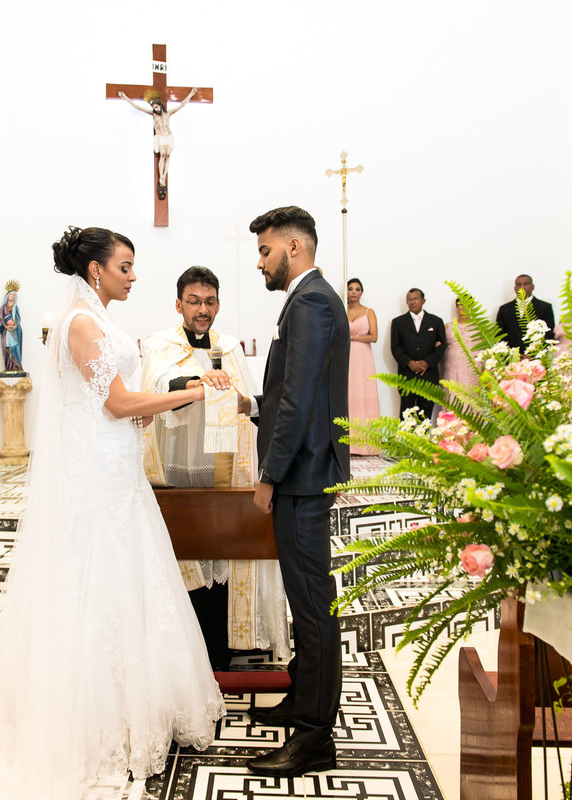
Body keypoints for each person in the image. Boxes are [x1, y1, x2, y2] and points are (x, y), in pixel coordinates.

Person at [0, 226, 224, 799]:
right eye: (126, 266)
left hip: (115, 465)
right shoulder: (80, 323)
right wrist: (191, 392)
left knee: (132, 581)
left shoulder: (97, 319)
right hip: (95, 475)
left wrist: (142, 412)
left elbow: (111, 402)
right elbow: (117, 401)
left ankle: (135, 709)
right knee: (96, 585)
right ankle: (95, 724)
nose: (133, 275)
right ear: (96, 269)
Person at [140, 265, 289, 671]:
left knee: (224, 553)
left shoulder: (231, 347)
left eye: (209, 302)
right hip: (177, 472)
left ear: (218, 305)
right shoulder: (160, 343)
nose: (201, 310)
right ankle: (184, 656)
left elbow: (245, 404)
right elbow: (158, 381)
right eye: (193, 301)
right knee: (187, 558)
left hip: (224, 468)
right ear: (178, 304)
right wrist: (196, 383)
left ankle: (225, 650)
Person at [246, 206, 349, 778]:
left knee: (313, 608)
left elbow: (299, 400)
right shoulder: (313, 298)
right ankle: (300, 699)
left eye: (265, 251)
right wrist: (252, 405)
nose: (260, 261)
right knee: (306, 601)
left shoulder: (309, 300)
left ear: (294, 248)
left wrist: (269, 476)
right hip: (307, 472)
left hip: (302, 477)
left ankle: (314, 739)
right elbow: (290, 389)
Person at [117, 87, 198, 199]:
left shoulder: (168, 114)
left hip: (168, 136)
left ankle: (164, 176)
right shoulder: (153, 115)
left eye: (156, 106)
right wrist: (125, 97)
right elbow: (137, 107)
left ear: (160, 105)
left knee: (168, 156)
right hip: (160, 137)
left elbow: (181, 105)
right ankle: (161, 178)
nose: (155, 109)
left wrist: (191, 94)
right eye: (154, 107)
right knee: (163, 155)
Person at [389, 288, 447, 421]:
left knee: (425, 417)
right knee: (406, 415)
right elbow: (395, 347)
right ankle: (403, 441)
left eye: (415, 298)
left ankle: (424, 440)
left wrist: (427, 363)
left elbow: (442, 346)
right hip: (407, 376)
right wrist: (409, 363)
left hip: (429, 376)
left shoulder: (436, 321)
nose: (412, 302)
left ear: (423, 300)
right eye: (409, 299)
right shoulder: (398, 322)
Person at [345, 278, 380, 455]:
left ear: (361, 292)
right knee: (348, 395)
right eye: (350, 288)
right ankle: (348, 444)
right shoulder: (342, 310)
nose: (353, 292)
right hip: (346, 356)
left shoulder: (369, 312)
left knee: (364, 394)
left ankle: (367, 444)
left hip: (363, 356)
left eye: (357, 289)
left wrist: (353, 338)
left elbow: (373, 337)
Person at [495, 273, 555, 352]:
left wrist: (534, 356)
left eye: (526, 284)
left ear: (532, 287)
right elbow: (500, 336)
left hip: (537, 359)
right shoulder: (504, 309)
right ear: (515, 288)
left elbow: (549, 335)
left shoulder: (544, 307)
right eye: (519, 284)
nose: (522, 287)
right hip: (511, 358)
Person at [440, 297, 483, 396]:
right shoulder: (447, 327)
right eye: (461, 305)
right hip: (452, 370)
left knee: (472, 399)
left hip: (473, 371)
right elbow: (439, 346)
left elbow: (488, 351)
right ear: (456, 308)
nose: (463, 308)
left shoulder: (480, 328)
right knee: (453, 397)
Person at [0, 286, 22, 373]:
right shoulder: (3, 308)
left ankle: (16, 366)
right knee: (7, 348)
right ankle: (8, 366)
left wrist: (15, 325)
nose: (12, 296)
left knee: (15, 348)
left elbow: (17, 318)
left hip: (15, 331)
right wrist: (5, 326)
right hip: (6, 331)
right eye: (10, 294)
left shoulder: (15, 308)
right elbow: (1, 318)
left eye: (14, 295)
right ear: (7, 295)